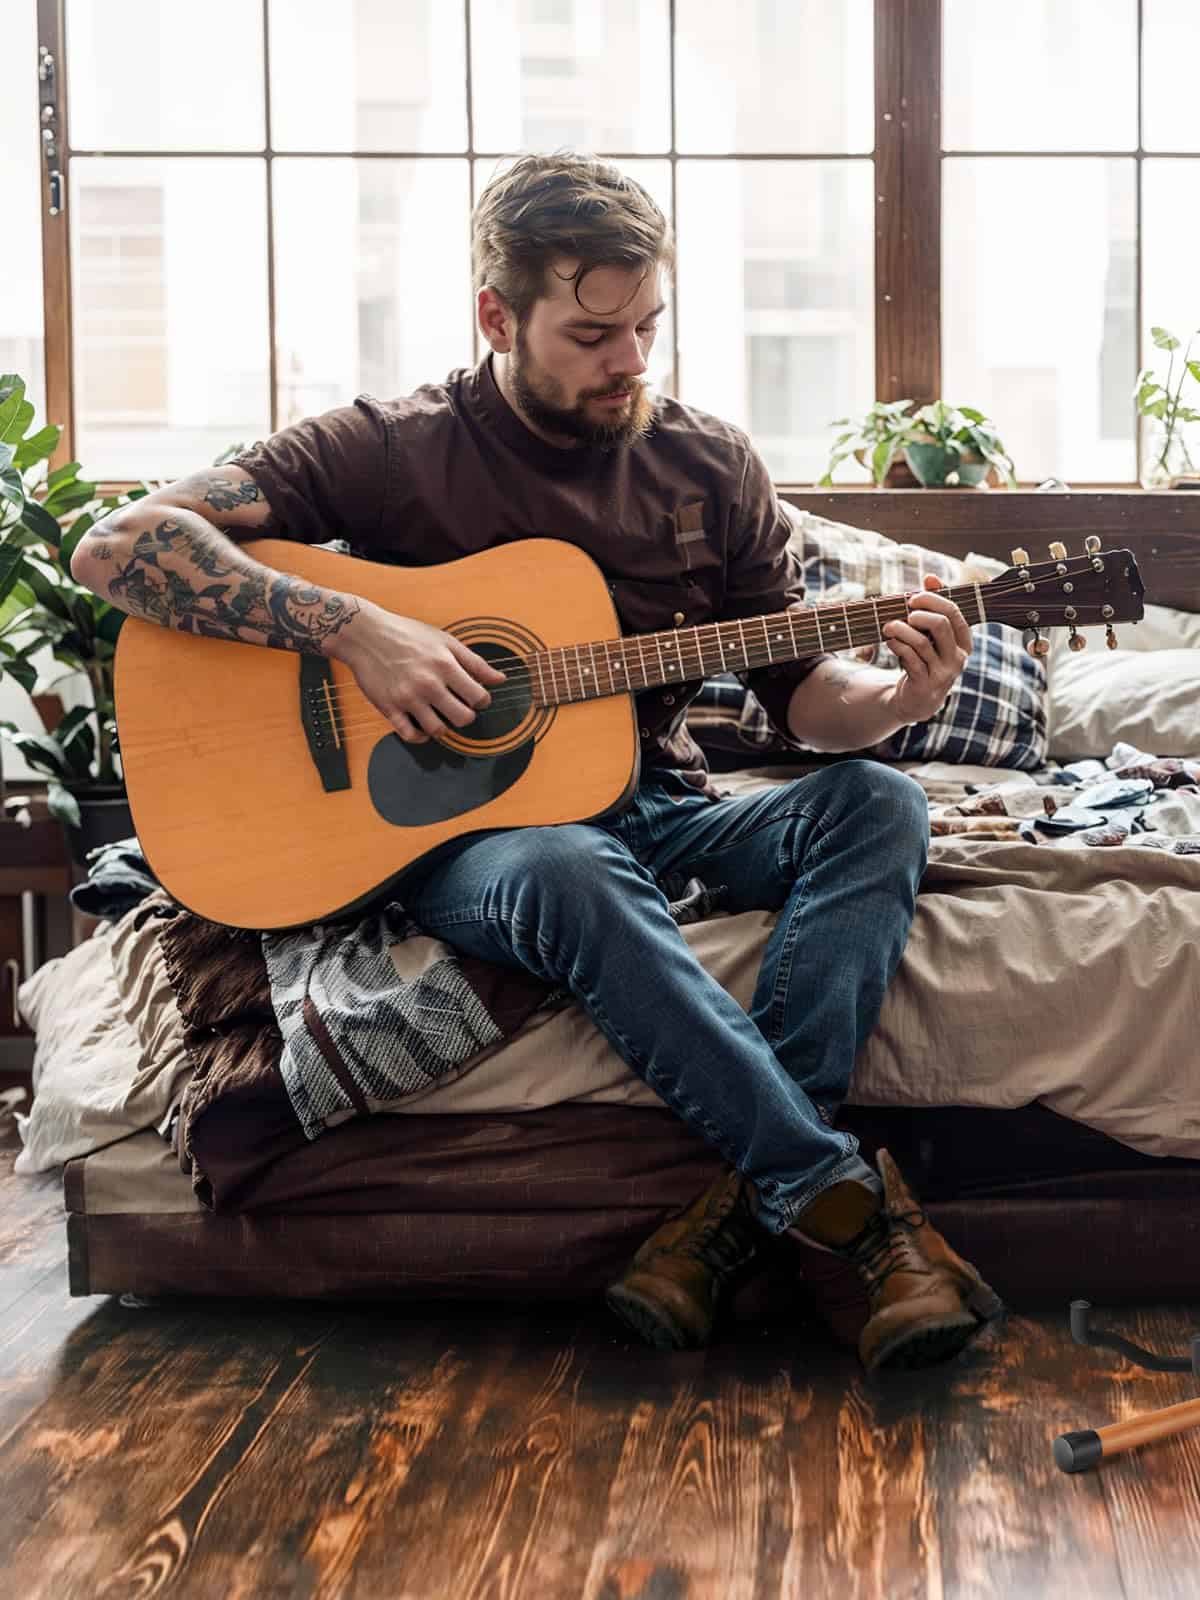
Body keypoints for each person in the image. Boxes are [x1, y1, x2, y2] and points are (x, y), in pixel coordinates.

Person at [72, 151, 1002, 1371]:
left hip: (659, 802)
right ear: (496, 316)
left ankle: (733, 1215)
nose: (630, 361)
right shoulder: (393, 447)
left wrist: (889, 699)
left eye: (649, 327)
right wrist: (356, 628)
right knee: (566, 864)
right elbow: (119, 546)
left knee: (875, 804)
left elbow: (805, 702)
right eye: (592, 333)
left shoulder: (709, 466)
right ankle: (838, 1202)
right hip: (471, 843)